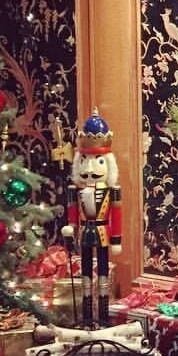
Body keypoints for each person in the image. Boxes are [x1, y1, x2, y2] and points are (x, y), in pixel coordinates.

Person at [61, 108, 123, 327]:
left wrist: (116, 240)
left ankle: (103, 318)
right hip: (85, 233)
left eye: (97, 160)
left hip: (103, 232)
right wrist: (71, 227)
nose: (89, 168)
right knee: (85, 275)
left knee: (103, 275)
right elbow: (72, 214)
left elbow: (116, 215)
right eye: (85, 160)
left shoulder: (112, 191)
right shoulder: (75, 191)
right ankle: (87, 318)